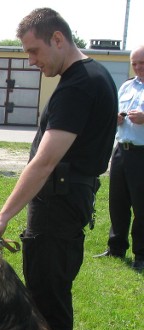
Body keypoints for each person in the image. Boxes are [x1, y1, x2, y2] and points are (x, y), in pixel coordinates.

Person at [0, 8, 118, 330]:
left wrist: (2, 218)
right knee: (50, 289)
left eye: (33, 51)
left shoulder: (79, 84)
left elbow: (45, 161)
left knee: (48, 296)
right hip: (67, 198)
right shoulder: (92, 76)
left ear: (57, 38)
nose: (31, 61)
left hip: (58, 203)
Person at [95, 45, 144, 272]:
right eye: (134, 63)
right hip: (122, 150)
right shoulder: (126, 86)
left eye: (142, 63)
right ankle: (116, 247)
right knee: (118, 202)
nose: (138, 67)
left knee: (141, 206)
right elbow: (113, 111)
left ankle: (141, 254)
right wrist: (115, 118)